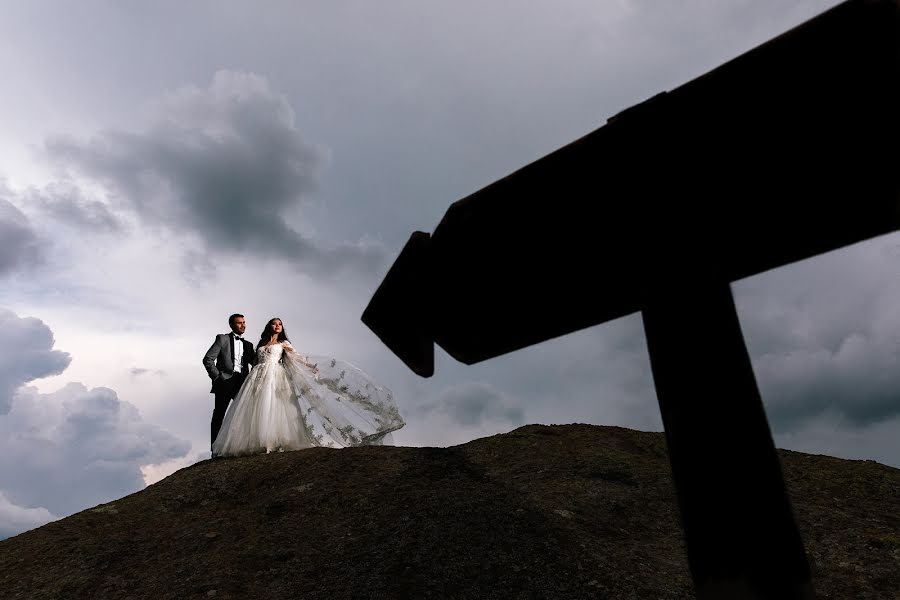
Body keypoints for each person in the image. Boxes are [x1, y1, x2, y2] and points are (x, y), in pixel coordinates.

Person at [211, 317, 404, 457]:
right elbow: (253, 360)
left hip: (274, 376)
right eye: (274, 324)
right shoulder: (260, 343)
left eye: (280, 324)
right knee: (253, 409)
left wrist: (311, 367)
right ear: (269, 326)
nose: (277, 326)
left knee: (273, 407)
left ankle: (270, 442)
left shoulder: (283, 343)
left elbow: (297, 357)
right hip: (256, 376)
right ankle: (252, 443)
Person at [202, 313, 257, 455]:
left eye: (244, 322)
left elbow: (256, 363)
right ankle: (215, 449)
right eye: (239, 323)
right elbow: (208, 359)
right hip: (225, 381)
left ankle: (242, 446)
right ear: (231, 325)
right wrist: (217, 378)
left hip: (243, 383)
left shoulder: (249, 345)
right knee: (219, 414)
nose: (243, 325)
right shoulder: (222, 338)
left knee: (245, 414)